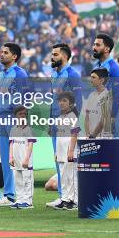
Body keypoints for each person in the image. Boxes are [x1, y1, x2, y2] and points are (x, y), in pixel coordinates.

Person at [0, 43, 29, 207]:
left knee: (19, 158)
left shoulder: (20, 74)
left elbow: (25, 98)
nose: (1, 54)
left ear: (14, 56)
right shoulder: (0, 74)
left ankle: (24, 196)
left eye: (5, 52)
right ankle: (9, 195)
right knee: (6, 158)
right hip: (1, 119)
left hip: (14, 119)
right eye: (1, 51)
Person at [48, 43, 82, 208]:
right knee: (60, 161)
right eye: (52, 54)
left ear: (65, 56)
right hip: (56, 123)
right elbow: (52, 101)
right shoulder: (54, 75)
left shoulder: (72, 74)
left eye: (55, 54)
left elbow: (79, 100)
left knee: (70, 161)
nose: (52, 57)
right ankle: (64, 196)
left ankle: (74, 198)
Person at [92, 33, 119, 137]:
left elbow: (118, 94)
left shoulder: (114, 68)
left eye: (97, 45)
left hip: (111, 115)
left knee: (114, 150)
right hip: (101, 115)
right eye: (94, 44)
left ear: (106, 49)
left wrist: (112, 117)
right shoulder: (99, 67)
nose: (94, 47)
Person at [53, 92, 79, 210]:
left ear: (71, 104)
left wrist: (71, 151)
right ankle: (64, 199)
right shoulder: (59, 117)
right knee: (63, 176)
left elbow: (75, 134)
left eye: (64, 101)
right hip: (60, 151)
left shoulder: (73, 116)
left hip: (69, 151)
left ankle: (74, 200)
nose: (61, 103)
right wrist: (57, 152)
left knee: (71, 176)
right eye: (60, 101)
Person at [9, 106, 35, 209]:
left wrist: (27, 159)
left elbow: (30, 144)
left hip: (25, 160)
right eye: (20, 114)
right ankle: (19, 199)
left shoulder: (29, 129)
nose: (23, 116)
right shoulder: (13, 129)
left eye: (24, 114)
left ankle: (28, 201)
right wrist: (10, 157)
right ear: (16, 116)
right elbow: (11, 143)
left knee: (27, 180)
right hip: (16, 160)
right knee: (18, 180)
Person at [84, 68, 112, 139]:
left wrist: (93, 136)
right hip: (90, 137)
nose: (91, 80)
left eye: (93, 77)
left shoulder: (108, 96)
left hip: (102, 138)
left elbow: (103, 120)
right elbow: (87, 117)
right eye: (91, 77)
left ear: (102, 80)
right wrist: (88, 134)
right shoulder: (91, 95)